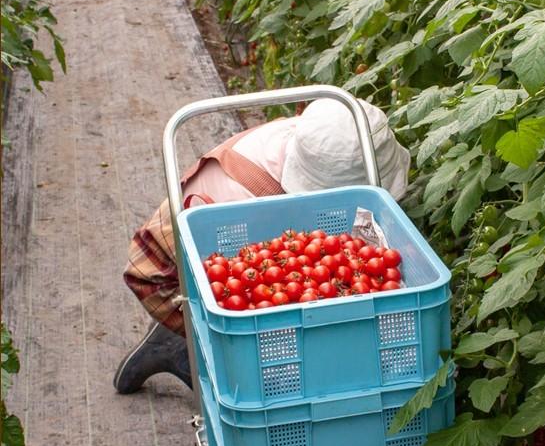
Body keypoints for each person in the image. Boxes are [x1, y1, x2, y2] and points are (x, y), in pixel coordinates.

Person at [114, 97, 411, 394]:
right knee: (254, 358)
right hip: (157, 271)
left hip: (216, 238)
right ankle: (186, 341)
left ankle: (179, 336)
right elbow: (249, 284)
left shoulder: (321, 137)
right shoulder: (252, 205)